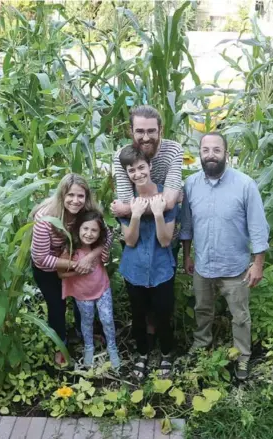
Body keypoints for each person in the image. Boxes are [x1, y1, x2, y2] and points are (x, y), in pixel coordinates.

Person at [180, 132, 269, 381]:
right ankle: (201, 345)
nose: (211, 155)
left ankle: (243, 357)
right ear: (200, 153)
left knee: (240, 317)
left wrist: (258, 264)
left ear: (226, 153)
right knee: (202, 310)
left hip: (236, 268)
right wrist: (187, 256)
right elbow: (186, 226)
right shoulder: (191, 185)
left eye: (216, 150)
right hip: (203, 265)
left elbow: (258, 228)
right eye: (206, 149)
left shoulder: (244, 185)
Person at [31, 173, 112, 365]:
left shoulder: (88, 212)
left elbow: (107, 236)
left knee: (81, 300)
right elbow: (40, 258)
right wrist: (76, 265)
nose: (75, 201)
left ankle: (83, 333)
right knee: (57, 307)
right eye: (70, 195)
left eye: (80, 196)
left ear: (86, 197)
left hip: (79, 263)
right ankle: (61, 345)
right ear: (62, 195)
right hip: (49, 270)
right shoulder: (45, 219)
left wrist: (91, 257)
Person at [117, 145, 178, 379]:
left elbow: (165, 240)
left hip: (162, 269)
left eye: (141, 167)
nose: (138, 174)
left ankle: (165, 353)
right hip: (134, 270)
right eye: (131, 170)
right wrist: (133, 214)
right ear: (127, 174)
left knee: (164, 314)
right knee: (138, 314)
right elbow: (130, 241)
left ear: (150, 166)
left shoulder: (167, 197)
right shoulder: (125, 201)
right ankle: (142, 354)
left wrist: (159, 213)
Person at [58, 209, 120, 369]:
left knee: (107, 319)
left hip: (102, 287)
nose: (89, 233)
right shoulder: (70, 248)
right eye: (85, 229)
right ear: (78, 228)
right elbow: (60, 274)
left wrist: (104, 257)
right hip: (82, 293)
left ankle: (112, 347)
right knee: (87, 321)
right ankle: (89, 347)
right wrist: (76, 270)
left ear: (99, 233)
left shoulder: (98, 247)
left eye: (94, 230)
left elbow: (106, 251)